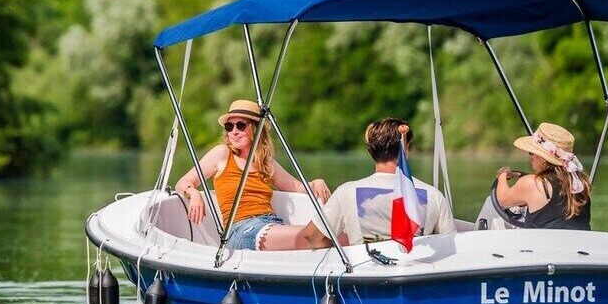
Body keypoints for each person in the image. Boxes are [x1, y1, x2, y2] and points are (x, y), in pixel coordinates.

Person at [173, 99, 332, 251]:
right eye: (229, 126)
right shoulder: (222, 154)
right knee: (316, 236)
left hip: (271, 224)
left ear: (255, 129)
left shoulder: (265, 163)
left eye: (241, 125)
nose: (234, 132)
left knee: (337, 235)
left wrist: (315, 183)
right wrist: (193, 193)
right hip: (242, 230)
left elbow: (297, 186)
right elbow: (183, 182)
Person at [300, 118, 456, 248]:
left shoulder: (346, 192)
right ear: (405, 150)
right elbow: (450, 245)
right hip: (416, 273)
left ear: (372, 151)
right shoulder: (434, 195)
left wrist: (344, 252)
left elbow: (312, 236)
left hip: (365, 275)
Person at [494, 122, 591, 230]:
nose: (530, 156)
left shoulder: (532, 183)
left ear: (544, 158)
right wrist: (519, 174)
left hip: (543, 245)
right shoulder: (581, 183)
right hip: (579, 245)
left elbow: (502, 200)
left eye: (531, 152)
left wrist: (503, 174)